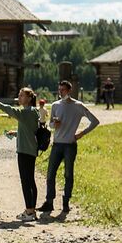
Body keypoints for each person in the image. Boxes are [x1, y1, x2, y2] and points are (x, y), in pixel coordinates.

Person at [0, 87, 45, 220]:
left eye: (22, 95)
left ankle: (29, 211)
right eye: (19, 95)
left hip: (25, 150)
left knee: (25, 181)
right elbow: (30, 130)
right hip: (30, 149)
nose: (19, 97)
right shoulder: (33, 112)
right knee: (30, 180)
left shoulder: (26, 112)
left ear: (29, 98)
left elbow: (10, 110)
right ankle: (31, 210)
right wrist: (17, 133)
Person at [40, 80, 100, 213]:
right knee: (50, 174)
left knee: (68, 174)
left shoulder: (78, 106)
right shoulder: (55, 105)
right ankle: (49, 202)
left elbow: (95, 121)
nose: (60, 92)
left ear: (69, 91)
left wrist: (81, 134)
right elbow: (49, 124)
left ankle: (66, 202)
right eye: (59, 89)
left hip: (70, 146)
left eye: (63, 90)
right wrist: (54, 125)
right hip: (56, 144)